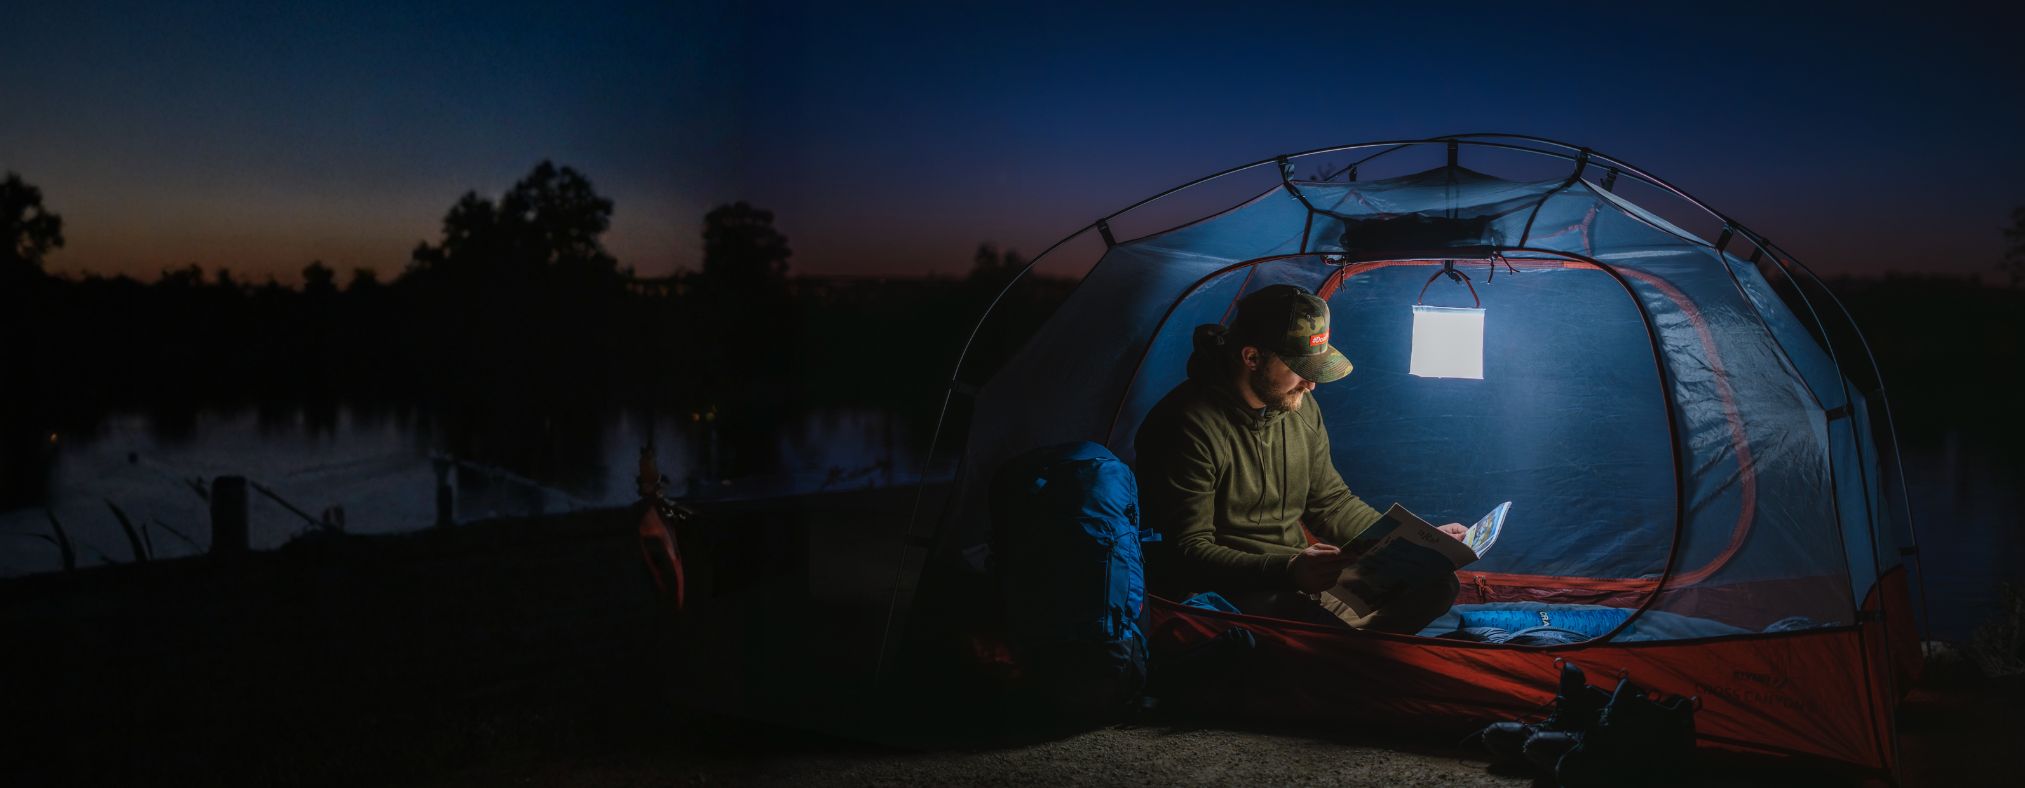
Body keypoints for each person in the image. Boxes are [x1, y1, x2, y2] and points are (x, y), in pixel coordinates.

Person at [1135, 284, 1461, 634]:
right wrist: (1288, 570)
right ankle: (1335, 646)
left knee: (1438, 584)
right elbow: (1188, 551)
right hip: (1233, 587)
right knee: (1312, 623)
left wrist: (1413, 542)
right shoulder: (1186, 425)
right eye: (1299, 368)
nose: (1311, 384)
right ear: (1252, 357)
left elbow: (1332, 504)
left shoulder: (1298, 407)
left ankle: (1336, 645)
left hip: (1298, 577)